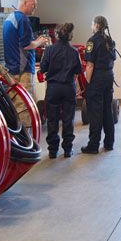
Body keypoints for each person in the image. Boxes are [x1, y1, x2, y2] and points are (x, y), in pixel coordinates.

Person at [2, 0, 48, 133]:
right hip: (23, 71)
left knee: (15, 105)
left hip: (11, 69)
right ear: (25, 3)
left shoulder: (9, 18)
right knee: (24, 107)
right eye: (33, 5)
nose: (35, 8)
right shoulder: (23, 20)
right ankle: (26, 141)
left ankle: (18, 139)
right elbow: (26, 45)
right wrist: (40, 42)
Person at [38, 22, 81, 158]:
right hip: (68, 87)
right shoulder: (74, 52)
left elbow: (43, 68)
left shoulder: (49, 50)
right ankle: (68, 149)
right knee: (68, 119)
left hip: (53, 88)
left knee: (52, 119)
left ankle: (52, 150)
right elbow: (79, 70)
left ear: (56, 35)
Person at [81, 15, 116, 154]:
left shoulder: (91, 41)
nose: (91, 26)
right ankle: (109, 143)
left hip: (97, 79)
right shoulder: (110, 40)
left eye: (92, 24)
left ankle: (93, 145)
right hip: (108, 77)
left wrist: (88, 83)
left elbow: (90, 65)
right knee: (108, 110)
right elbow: (112, 62)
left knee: (95, 113)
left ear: (96, 25)